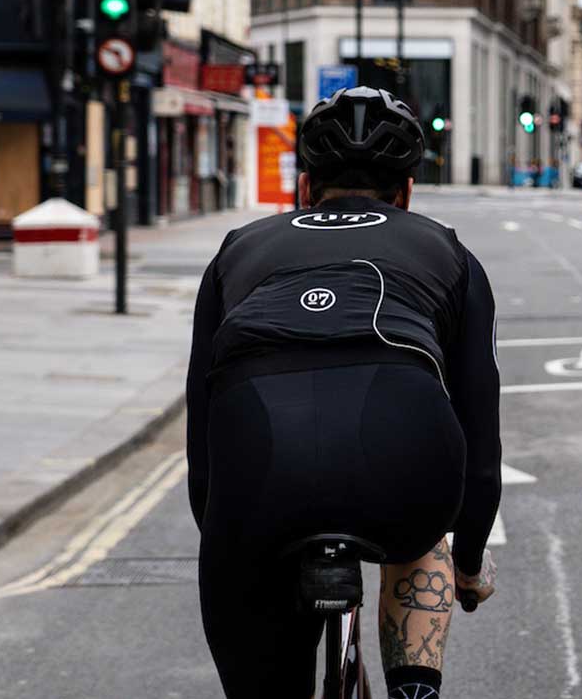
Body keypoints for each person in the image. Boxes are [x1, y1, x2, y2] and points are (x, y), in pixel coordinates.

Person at [186, 86, 502, 699]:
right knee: (425, 528)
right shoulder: (449, 252)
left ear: (306, 188)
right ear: (407, 194)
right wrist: (467, 562)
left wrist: (230, 541)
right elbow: (479, 438)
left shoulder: (238, 249)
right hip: (403, 468)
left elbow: (202, 427)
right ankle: (415, 691)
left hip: (255, 481)